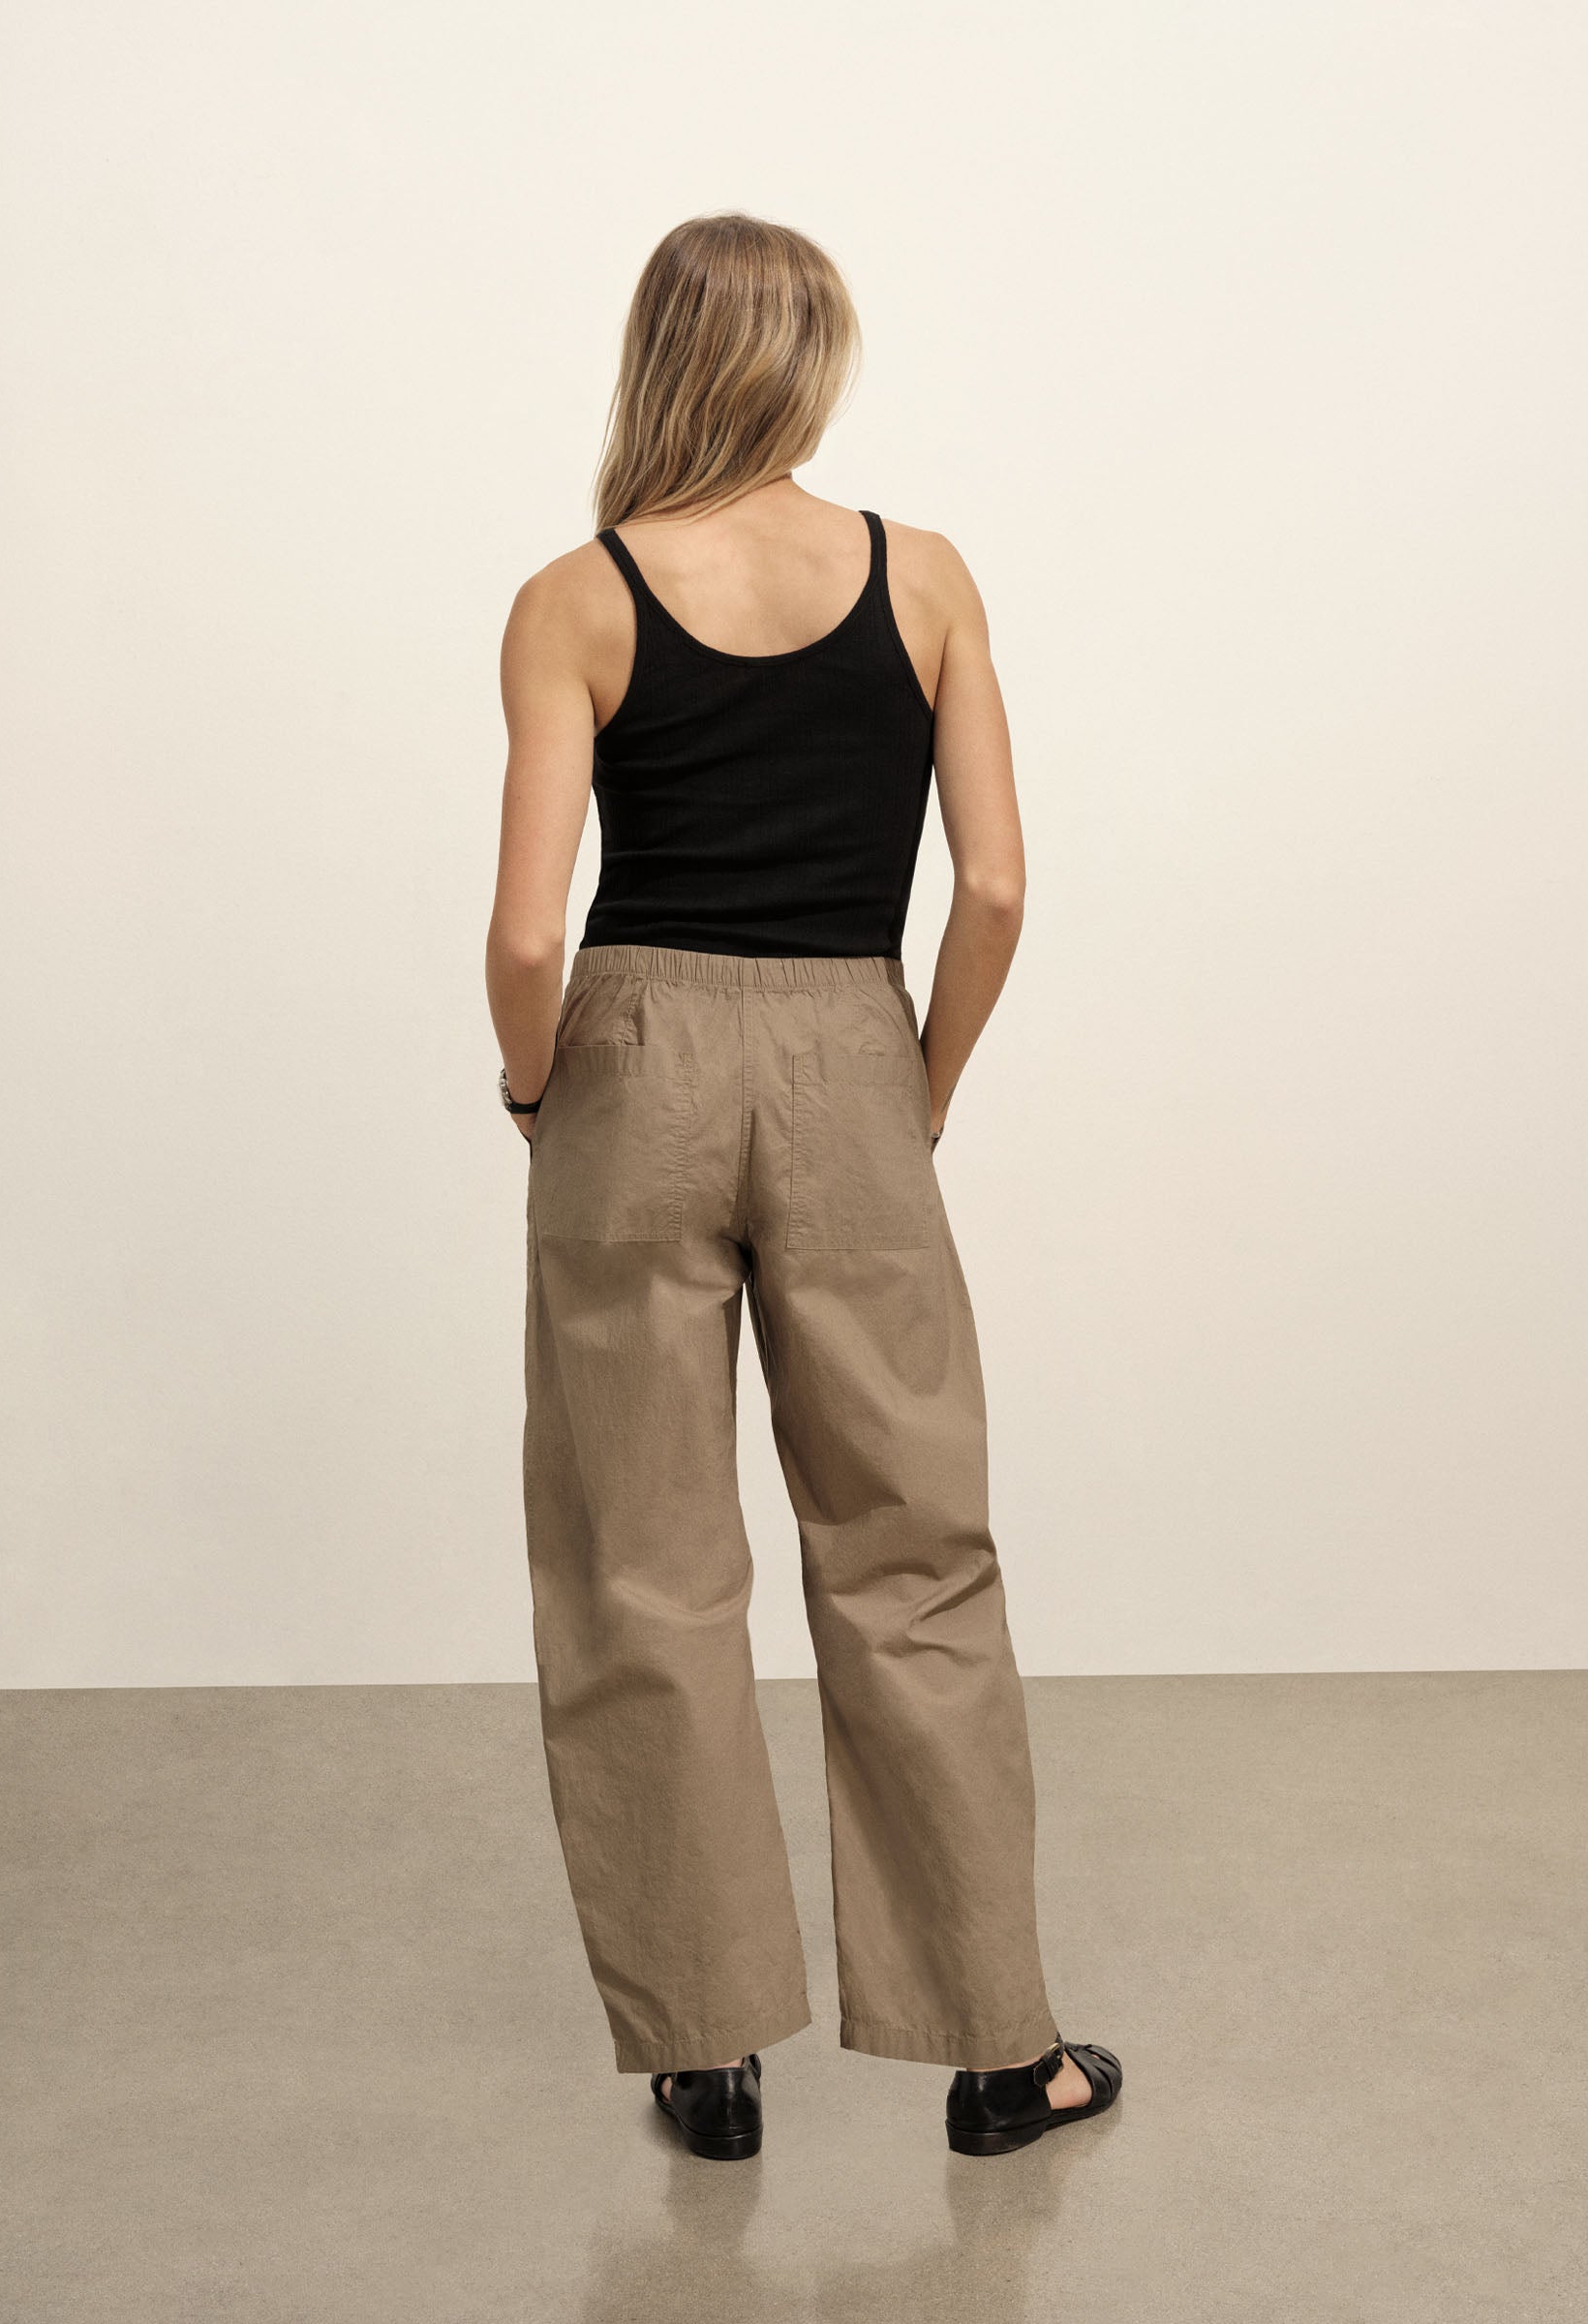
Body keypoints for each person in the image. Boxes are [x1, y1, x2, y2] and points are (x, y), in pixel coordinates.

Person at [485, 211, 1121, 2161]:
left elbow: (526, 937)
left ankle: (705, 2053)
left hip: (637, 1063)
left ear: (657, 357)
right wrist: (916, 1085)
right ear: (809, 363)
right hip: (854, 1049)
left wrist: (539, 1087)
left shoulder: (575, 597)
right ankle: (1000, 2053)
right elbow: (995, 885)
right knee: (913, 1553)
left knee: (643, 1567)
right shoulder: (922, 577)